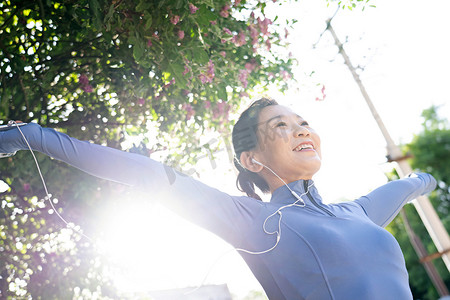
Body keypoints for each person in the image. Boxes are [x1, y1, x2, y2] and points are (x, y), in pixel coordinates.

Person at [0, 98, 436, 300]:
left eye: (303, 121)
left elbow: (411, 184)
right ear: (251, 159)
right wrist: (37, 138)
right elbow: (148, 174)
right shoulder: (251, 218)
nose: (302, 129)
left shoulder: (358, 212)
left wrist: (429, 179)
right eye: (281, 126)